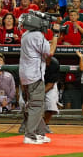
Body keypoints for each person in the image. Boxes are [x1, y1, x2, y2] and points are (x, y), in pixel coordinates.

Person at [19, 12, 60, 144]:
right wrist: (55, 35)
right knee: (36, 105)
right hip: (34, 75)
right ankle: (30, 135)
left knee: (35, 105)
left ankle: (40, 133)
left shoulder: (26, 35)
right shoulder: (37, 35)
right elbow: (50, 52)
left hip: (26, 74)